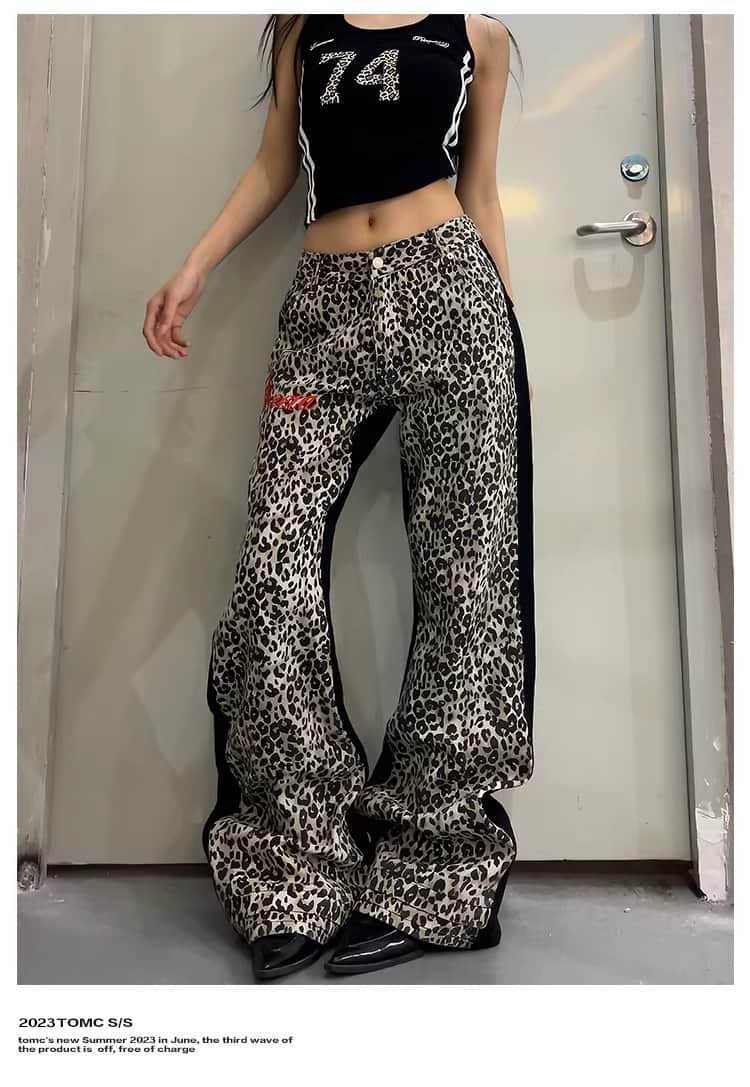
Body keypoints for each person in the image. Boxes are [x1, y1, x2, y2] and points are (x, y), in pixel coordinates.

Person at [143, 13, 536, 982]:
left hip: (453, 297)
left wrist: (504, 333)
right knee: (272, 574)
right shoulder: (303, 25)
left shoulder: (476, 33)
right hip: (326, 308)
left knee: (469, 584)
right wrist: (195, 264)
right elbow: (275, 164)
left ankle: (437, 873)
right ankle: (293, 867)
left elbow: (481, 190)